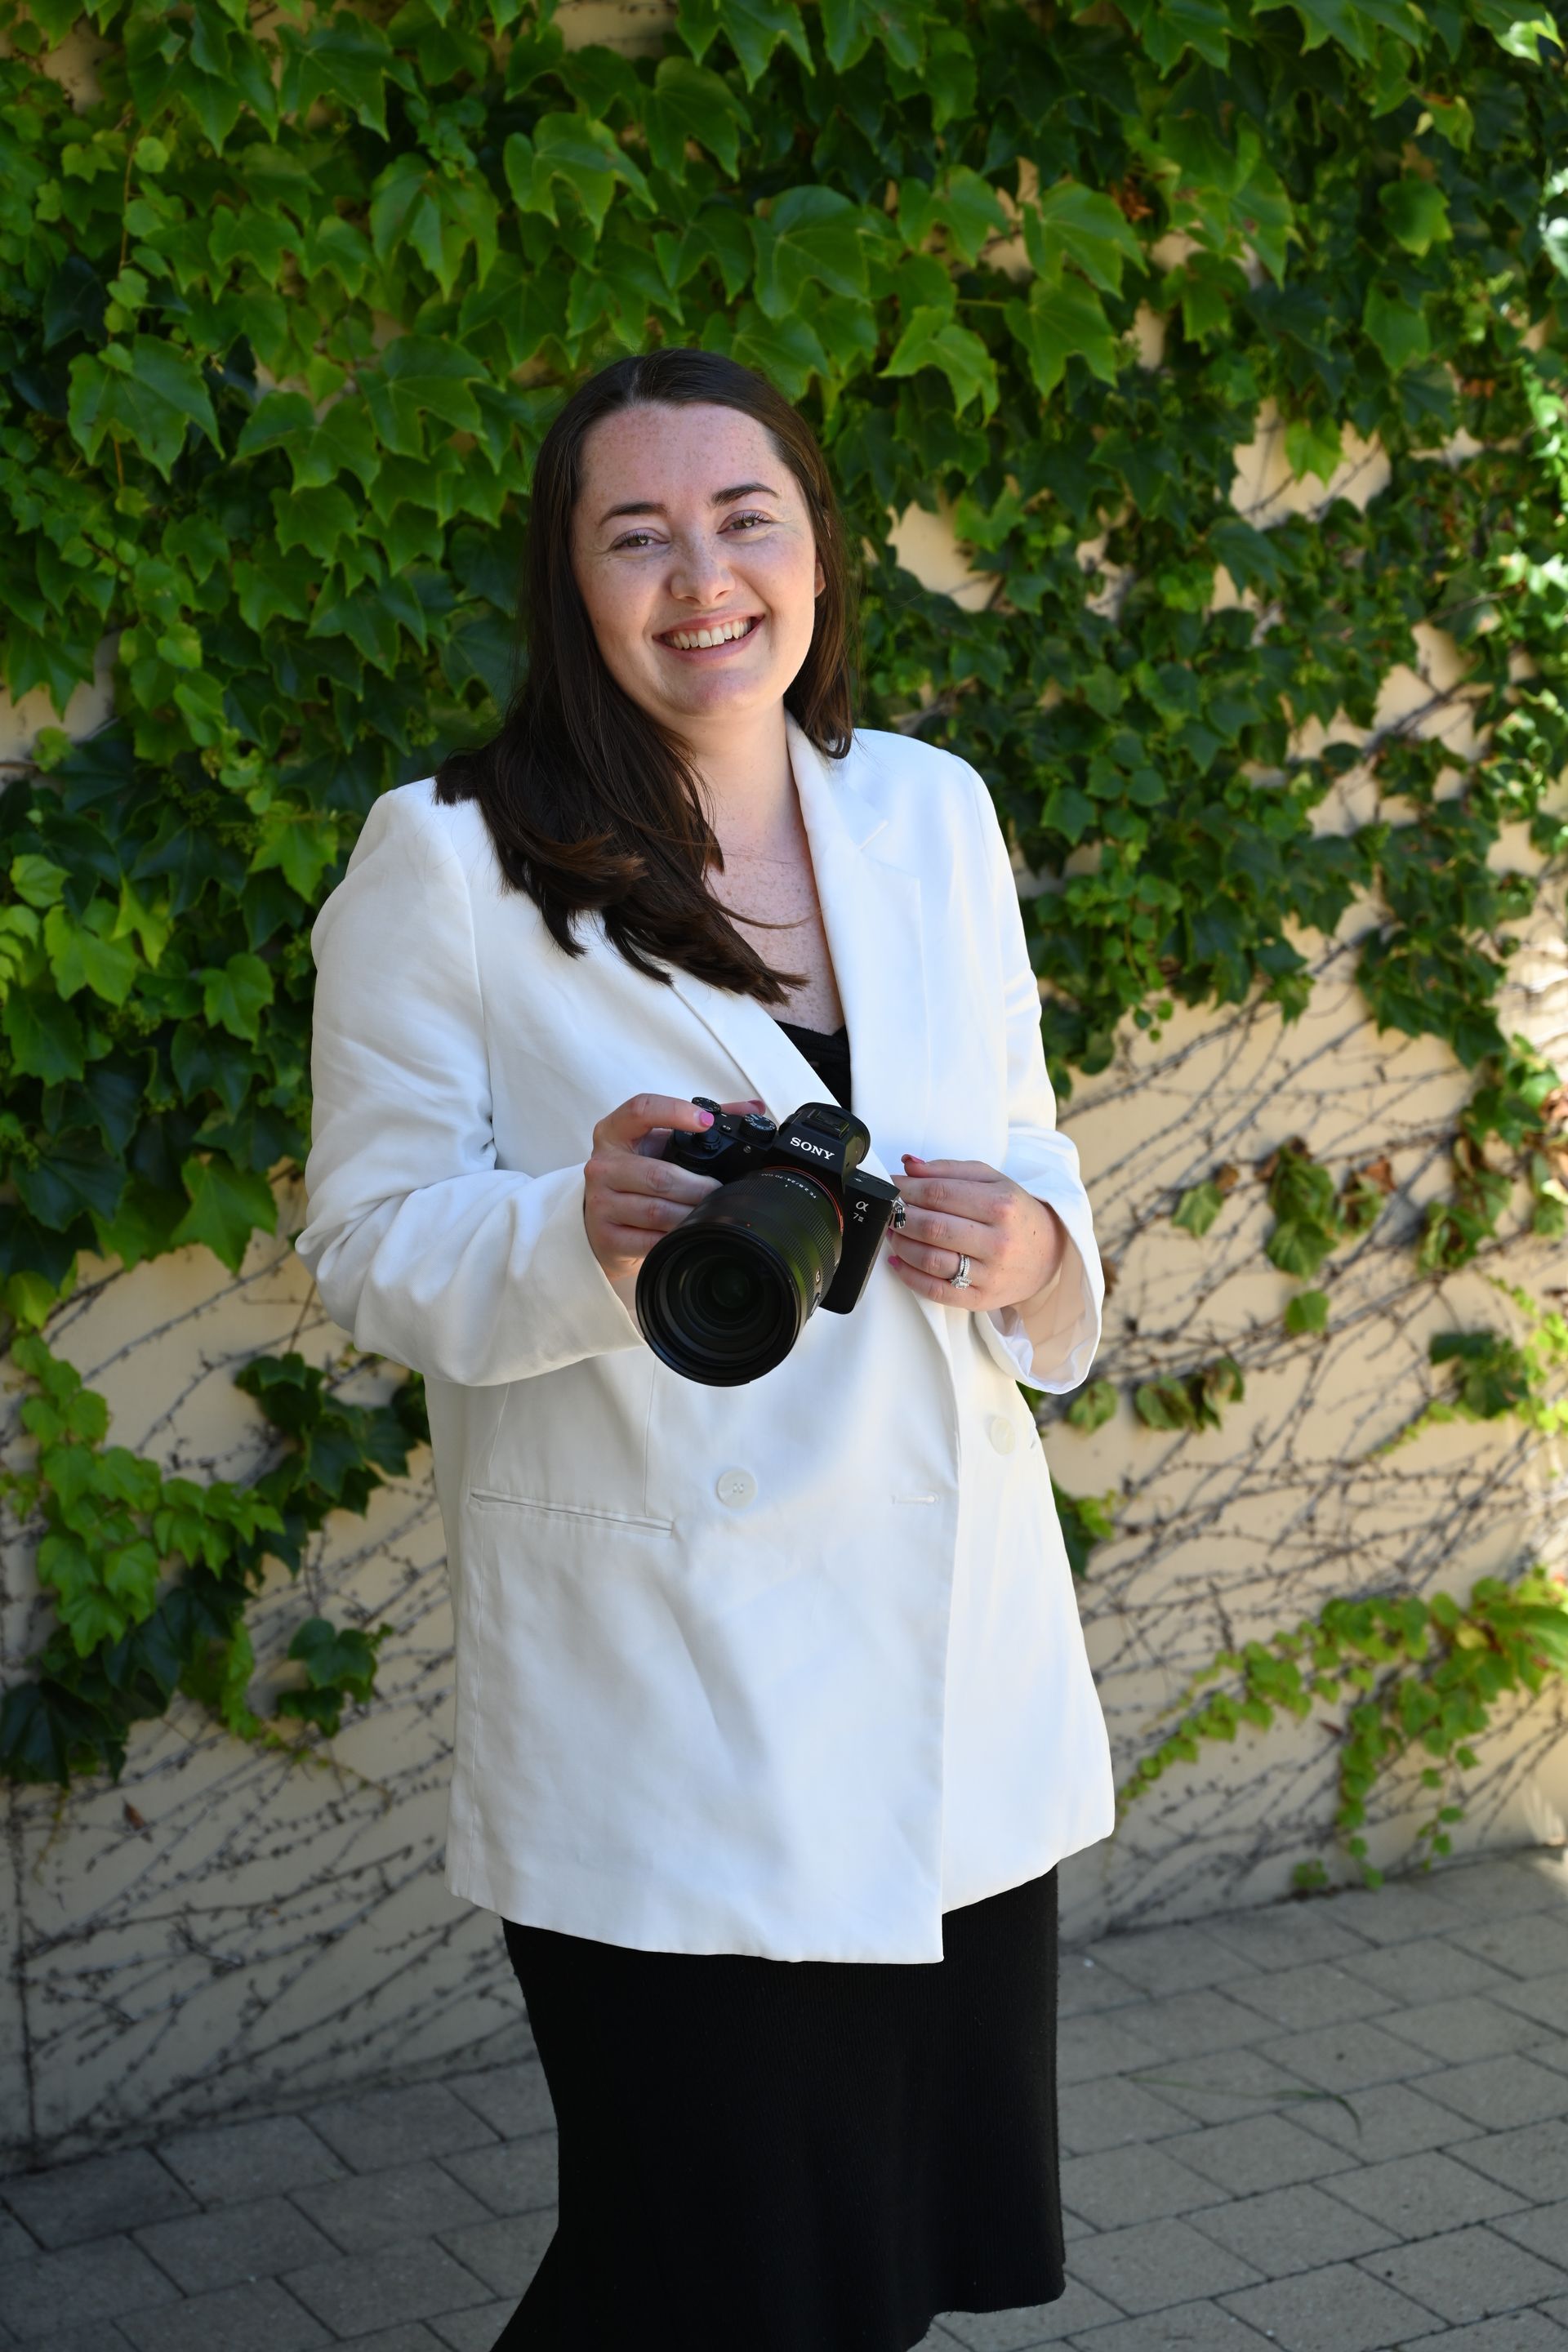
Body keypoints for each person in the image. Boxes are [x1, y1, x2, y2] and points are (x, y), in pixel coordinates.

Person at [296, 348, 1116, 2352]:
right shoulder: (456, 857)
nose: (702, 577)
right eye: (635, 535)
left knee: (873, 2271)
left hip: (938, 1689)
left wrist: (1028, 1240)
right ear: (568, 585)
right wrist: (574, 1226)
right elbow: (364, 1242)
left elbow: (1017, 1128)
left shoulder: (927, 812)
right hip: (672, 1707)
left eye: (745, 521)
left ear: (818, 552)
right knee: (706, 2273)